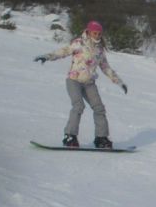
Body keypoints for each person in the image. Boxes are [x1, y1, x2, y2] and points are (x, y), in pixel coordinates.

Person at [34, 20, 128, 148]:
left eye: (99, 34)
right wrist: (47, 56)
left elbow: (105, 67)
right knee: (78, 106)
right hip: (74, 80)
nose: (97, 36)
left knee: (99, 108)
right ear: (88, 32)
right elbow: (64, 51)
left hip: (89, 83)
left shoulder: (99, 49)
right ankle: (70, 136)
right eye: (95, 33)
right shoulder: (79, 43)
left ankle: (101, 138)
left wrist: (120, 82)